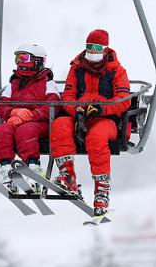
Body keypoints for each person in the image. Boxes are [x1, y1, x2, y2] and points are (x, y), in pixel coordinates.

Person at [50, 29, 131, 217]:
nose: (92, 51)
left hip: (106, 120)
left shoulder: (116, 71)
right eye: (89, 47)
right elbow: (68, 96)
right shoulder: (77, 68)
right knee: (60, 125)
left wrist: (101, 108)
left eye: (97, 48)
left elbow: (123, 100)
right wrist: (76, 109)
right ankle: (67, 176)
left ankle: (102, 190)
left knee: (96, 137)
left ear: (105, 49)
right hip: (80, 116)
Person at [0, 43, 60, 192]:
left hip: (40, 123)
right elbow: (2, 105)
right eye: (17, 58)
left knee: (26, 131)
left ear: (37, 60)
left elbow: (53, 105)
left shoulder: (47, 83)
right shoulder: (14, 82)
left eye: (23, 58)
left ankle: (33, 169)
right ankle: (7, 171)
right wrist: (13, 113)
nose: (19, 62)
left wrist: (30, 115)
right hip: (15, 120)